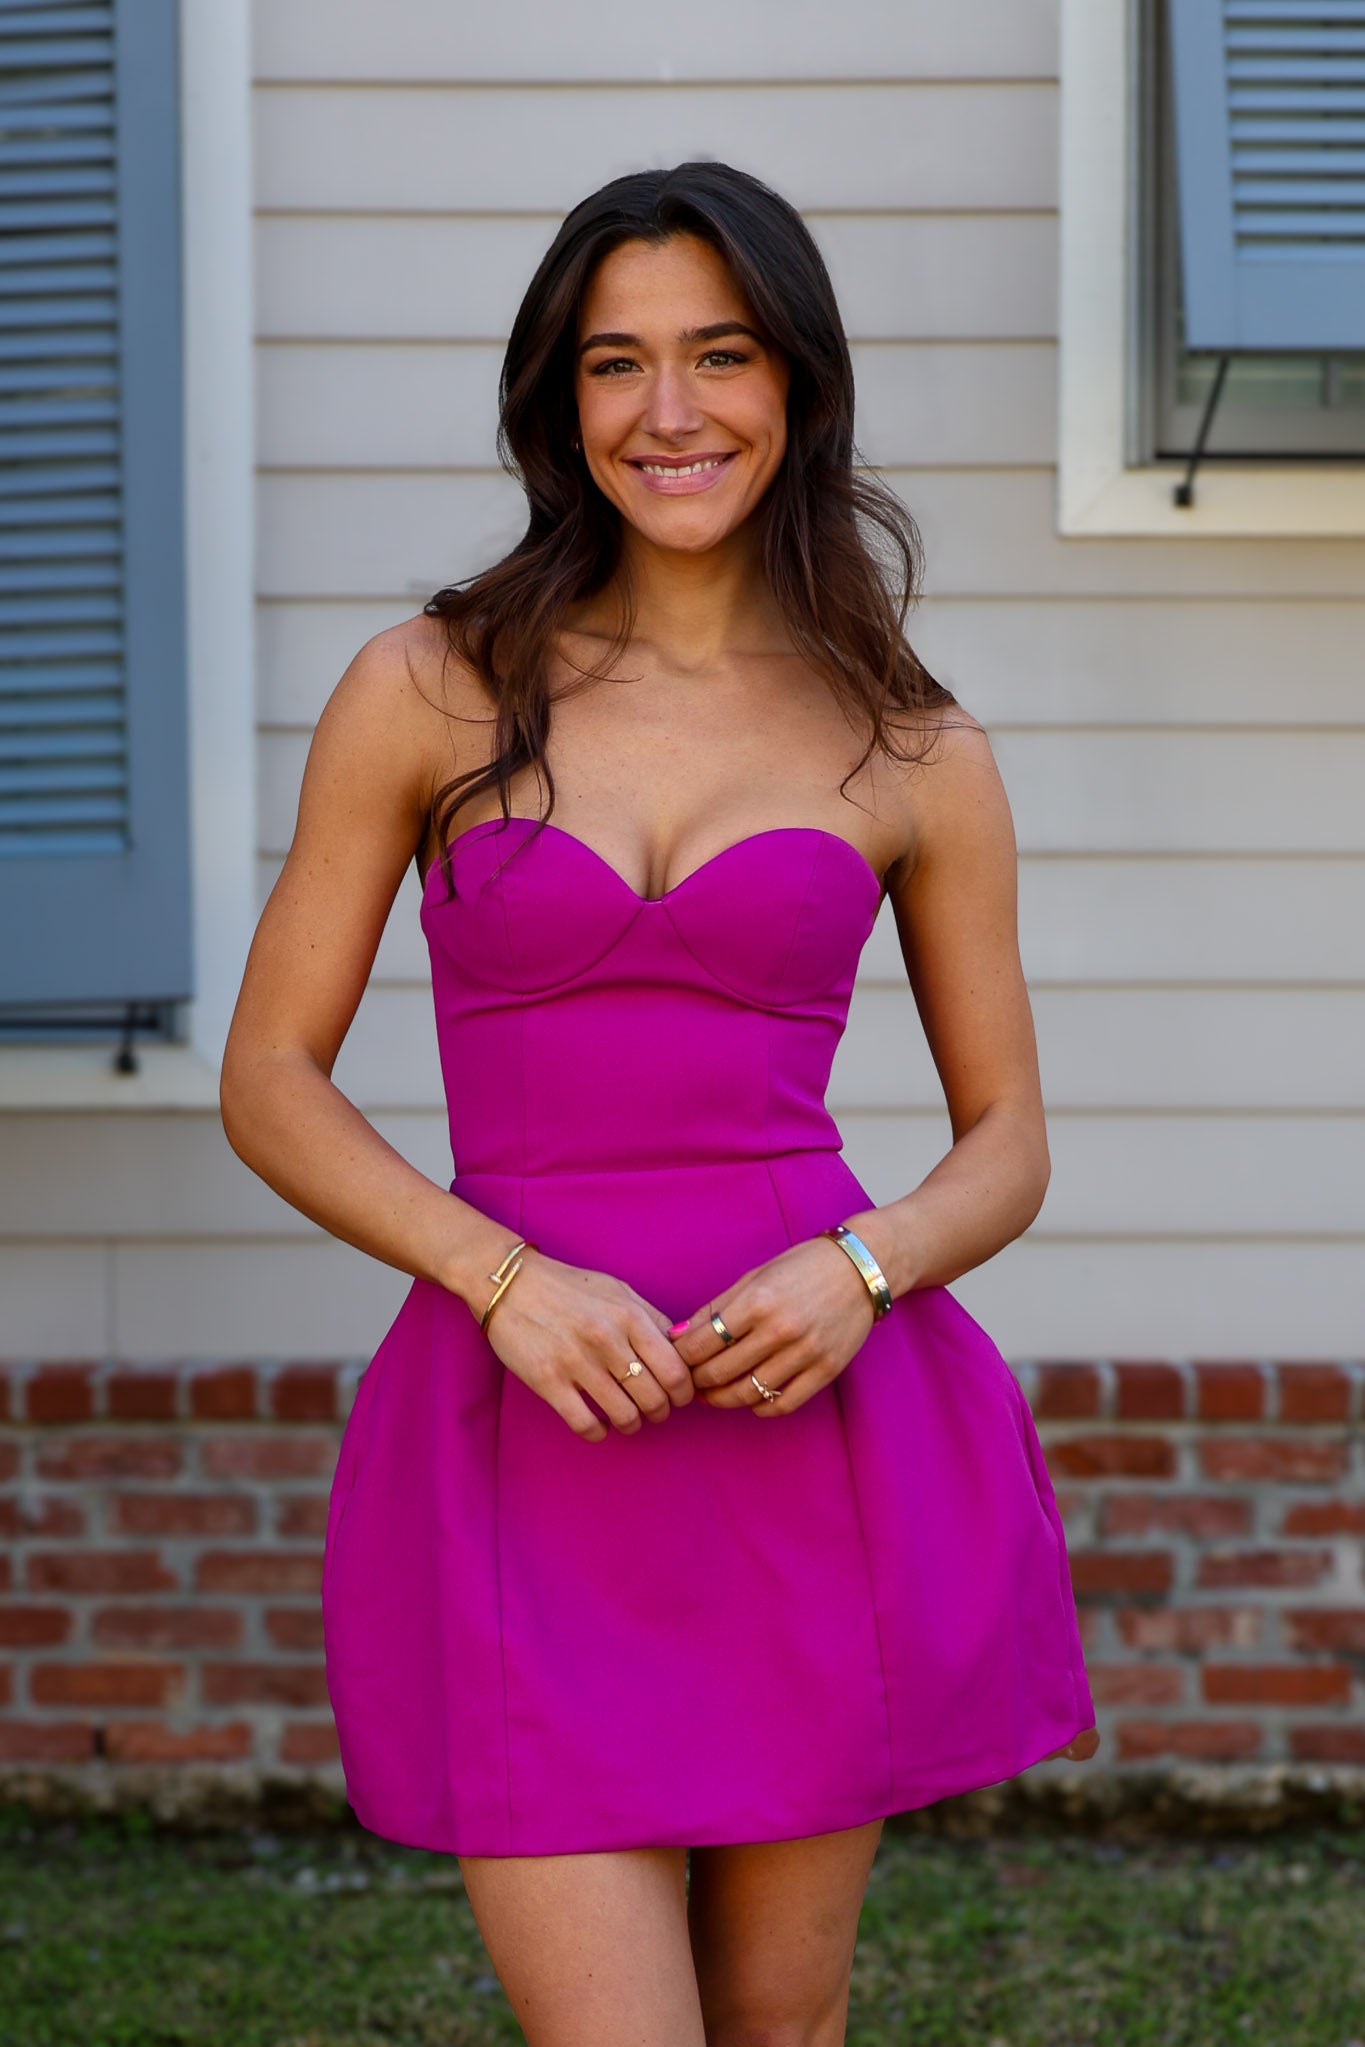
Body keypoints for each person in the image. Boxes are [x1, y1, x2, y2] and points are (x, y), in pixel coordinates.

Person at [221, 159, 1099, 2047]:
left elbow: (1008, 1141)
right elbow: (270, 1079)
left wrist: (859, 1271)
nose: (668, 410)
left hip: (808, 1425)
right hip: (529, 1423)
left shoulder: (912, 740)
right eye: (615, 363)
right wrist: (500, 1279)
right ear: (560, 401)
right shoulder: (427, 687)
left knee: (779, 2027)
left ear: (795, 384)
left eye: (720, 353)